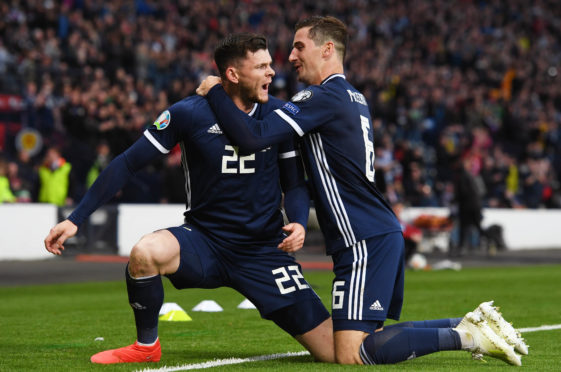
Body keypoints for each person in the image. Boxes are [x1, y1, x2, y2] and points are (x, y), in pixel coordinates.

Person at [196, 16, 526, 365]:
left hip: (362, 238)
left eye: (299, 46)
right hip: (371, 231)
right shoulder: (352, 96)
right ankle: (466, 324)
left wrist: (215, 91)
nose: (291, 56)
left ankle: (467, 337)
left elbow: (251, 137)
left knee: (353, 353)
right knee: (361, 342)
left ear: (326, 49)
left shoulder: (322, 96)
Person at [44, 33, 334, 364]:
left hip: (263, 251)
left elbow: (295, 183)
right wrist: (74, 219)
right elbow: (127, 163)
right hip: (205, 242)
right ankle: (146, 346)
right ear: (233, 74)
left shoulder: (280, 113)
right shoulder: (189, 113)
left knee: (336, 353)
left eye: (270, 65)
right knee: (145, 253)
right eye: (261, 66)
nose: (272, 73)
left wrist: (296, 220)